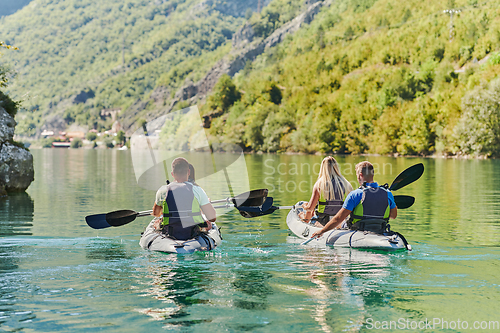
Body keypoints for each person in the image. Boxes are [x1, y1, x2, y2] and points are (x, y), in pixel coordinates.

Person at [311, 161, 397, 238]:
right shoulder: (388, 194)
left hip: (358, 229)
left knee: (340, 223)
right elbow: (393, 216)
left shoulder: (355, 194)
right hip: (379, 229)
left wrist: (321, 231)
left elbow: (338, 219)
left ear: (360, 175)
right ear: (373, 174)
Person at [152, 157, 216, 240]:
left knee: (157, 223)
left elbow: (156, 213)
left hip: (169, 232)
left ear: (172, 174)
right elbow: (212, 218)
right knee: (208, 225)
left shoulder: (163, 190)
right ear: (188, 172)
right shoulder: (197, 190)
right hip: (192, 233)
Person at [299, 156, 353, 227]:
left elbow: (310, 208)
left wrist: (304, 206)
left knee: (302, 214)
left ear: (323, 168)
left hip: (323, 222)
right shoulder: (346, 184)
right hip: (340, 221)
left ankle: (305, 221)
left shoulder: (319, 184)